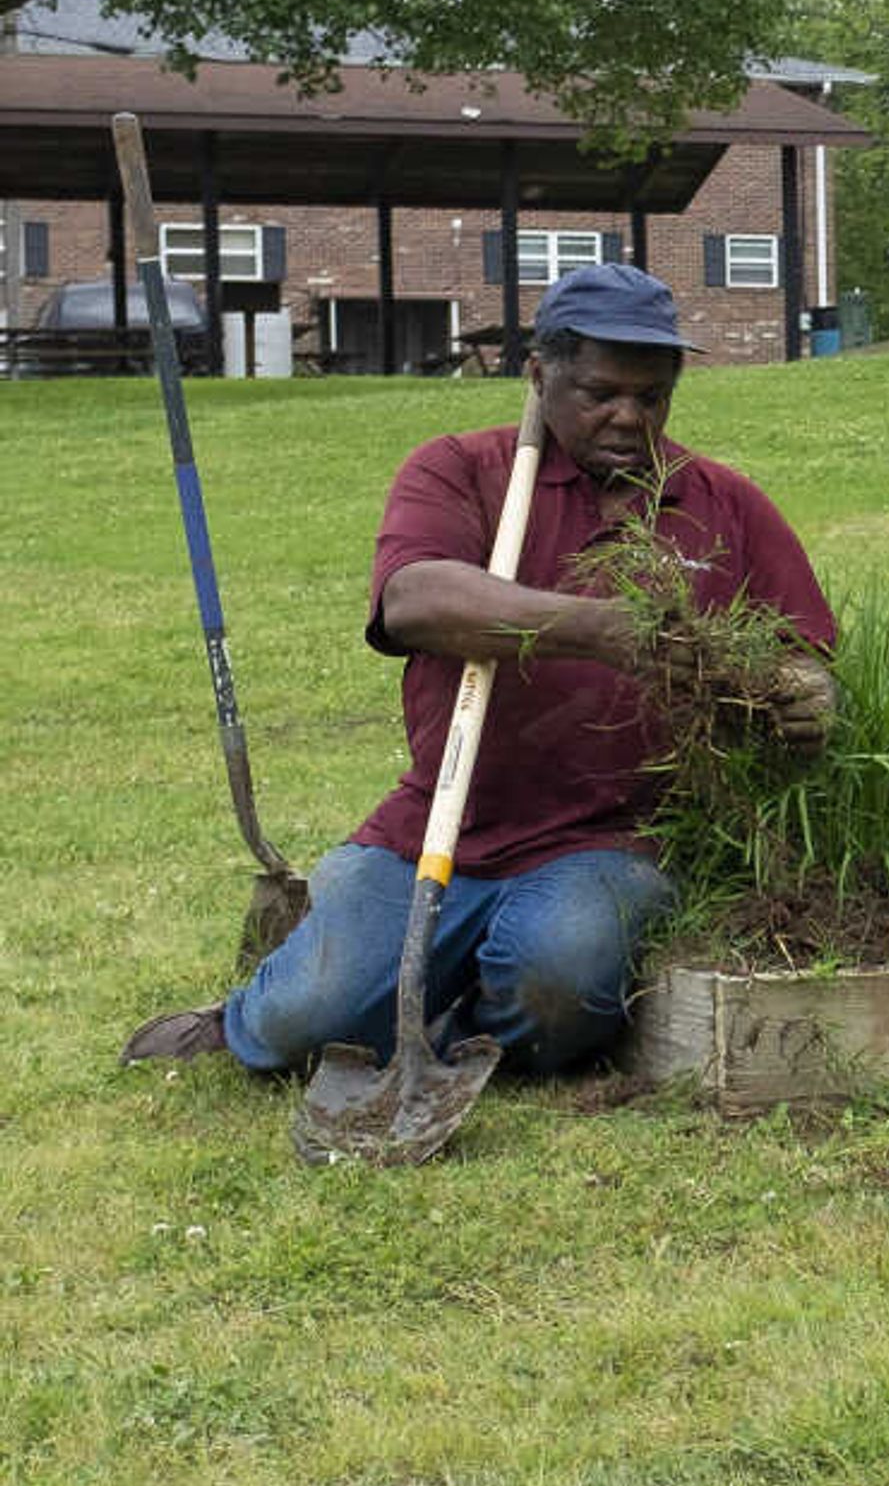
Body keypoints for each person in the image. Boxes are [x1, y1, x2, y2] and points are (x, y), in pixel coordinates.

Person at [125, 264, 838, 1078]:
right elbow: (415, 600)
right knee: (303, 1017)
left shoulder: (722, 503)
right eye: (601, 391)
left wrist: (808, 697)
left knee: (558, 984)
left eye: (652, 396)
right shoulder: (460, 470)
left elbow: (801, 654)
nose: (628, 416)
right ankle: (260, 1006)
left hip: (615, 841)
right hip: (438, 828)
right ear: (539, 375)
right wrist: (601, 629)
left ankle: (459, 1024)